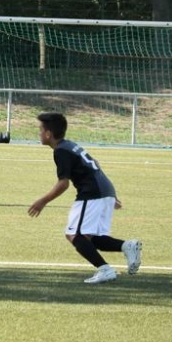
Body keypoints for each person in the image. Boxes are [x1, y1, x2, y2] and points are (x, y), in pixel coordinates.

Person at [28, 112, 142, 284]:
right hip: (102, 190)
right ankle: (126, 246)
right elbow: (95, 163)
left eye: (40, 130)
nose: (39, 134)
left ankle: (105, 270)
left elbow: (63, 183)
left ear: (48, 133)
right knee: (88, 237)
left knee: (74, 234)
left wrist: (42, 201)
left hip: (92, 193)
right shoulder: (69, 145)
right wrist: (110, 192)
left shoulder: (61, 151)